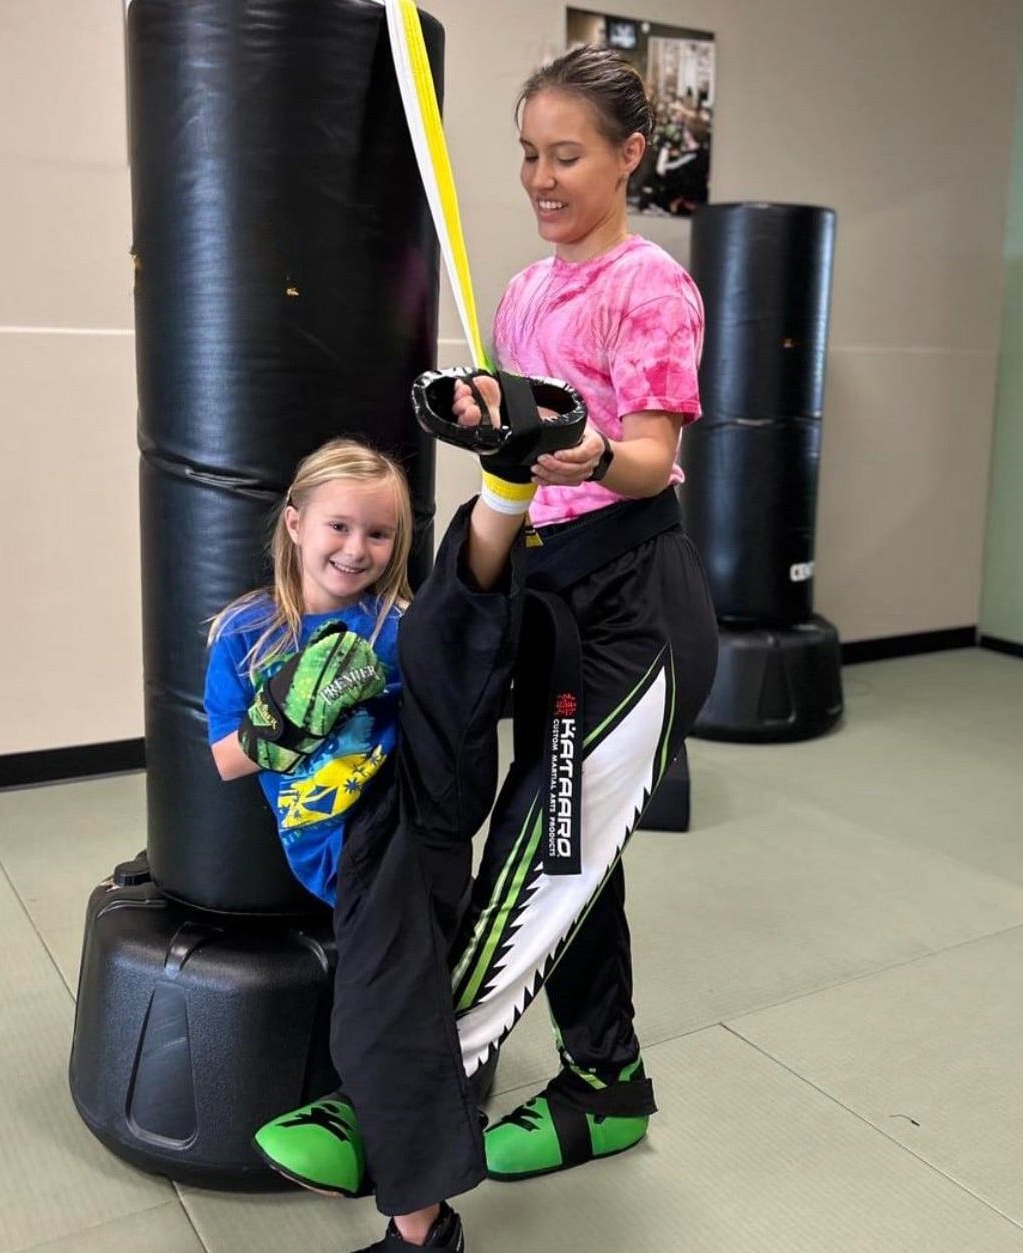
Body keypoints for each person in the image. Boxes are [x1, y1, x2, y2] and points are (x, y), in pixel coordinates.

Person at [255, 41, 718, 1207]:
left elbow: (650, 459)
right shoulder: (521, 290)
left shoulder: (649, 286)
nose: (540, 177)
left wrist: (587, 448)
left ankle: (389, 1096)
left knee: (533, 862)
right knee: (578, 861)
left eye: (566, 155)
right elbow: (519, 446)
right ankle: (604, 1080)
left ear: (627, 156)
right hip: (538, 600)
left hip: (628, 617)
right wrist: (481, 414)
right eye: (526, 153)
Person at [206, 434, 555, 1250]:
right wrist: (284, 714)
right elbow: (223, 758)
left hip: (399, 825)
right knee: (381, 1019)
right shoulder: (245, 633)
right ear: (294, 524)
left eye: (380, 534)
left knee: (374, 1027)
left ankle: (422, 1233)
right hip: (332, 857)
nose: (356, 549)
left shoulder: (398, 627)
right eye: (338, 526)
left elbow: (445, 706)